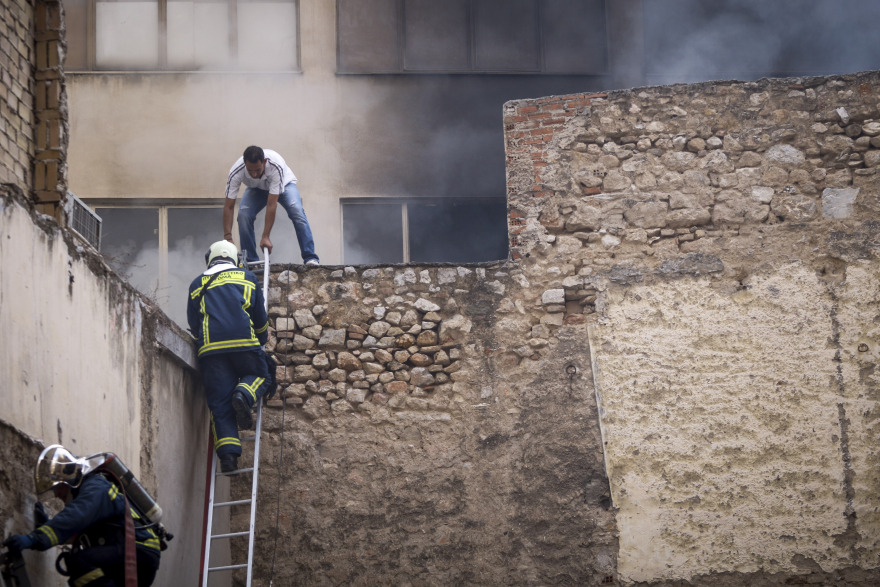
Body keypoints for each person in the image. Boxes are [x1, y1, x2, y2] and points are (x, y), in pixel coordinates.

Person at [2, 445, 162, 586]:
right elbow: (79, 531)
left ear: (68, 480)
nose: (57, 495)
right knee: (81, 568)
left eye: (58, 488)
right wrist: (47, 527)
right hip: (134, 554)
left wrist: (35, 538)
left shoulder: (95, 486)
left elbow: (76, 516)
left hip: (140, 551)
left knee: (81, 561)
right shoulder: (91, 489)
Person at [187, 240, 274, 473]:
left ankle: (228, 458)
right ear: (235, 259)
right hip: (244, 342)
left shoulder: (197, 284)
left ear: (210, 258)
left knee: (220, 405)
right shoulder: (247, 278)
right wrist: (261, 340)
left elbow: (193, 324)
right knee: (261, 375)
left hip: (211, 351)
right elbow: (260, 320)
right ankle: (243, 394)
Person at [224, 145, 320, 265]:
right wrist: (228, 238)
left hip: (284, 185)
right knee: (243, 215)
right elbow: (229, 206)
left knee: (296, 210)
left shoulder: (276, 165)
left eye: (258, 170)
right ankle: (251, 261)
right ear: (244, 163)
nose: (254, 174)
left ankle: (310, 257)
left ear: (264, 162)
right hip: (257, 188)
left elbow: (271, 203)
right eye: (250, 171)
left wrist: (265, 236)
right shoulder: (236, 171)